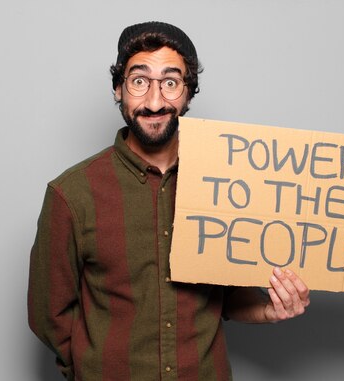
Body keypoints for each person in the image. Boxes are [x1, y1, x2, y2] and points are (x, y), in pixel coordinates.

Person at [28, 21, 310, 381]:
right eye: (139, 81)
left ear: (189, 94)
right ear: (118, 89)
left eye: (171, 82)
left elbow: (230, 296)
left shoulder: (226, 182)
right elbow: (48, 315)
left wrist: (270, 310)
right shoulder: (71, 194)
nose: (155, 101)